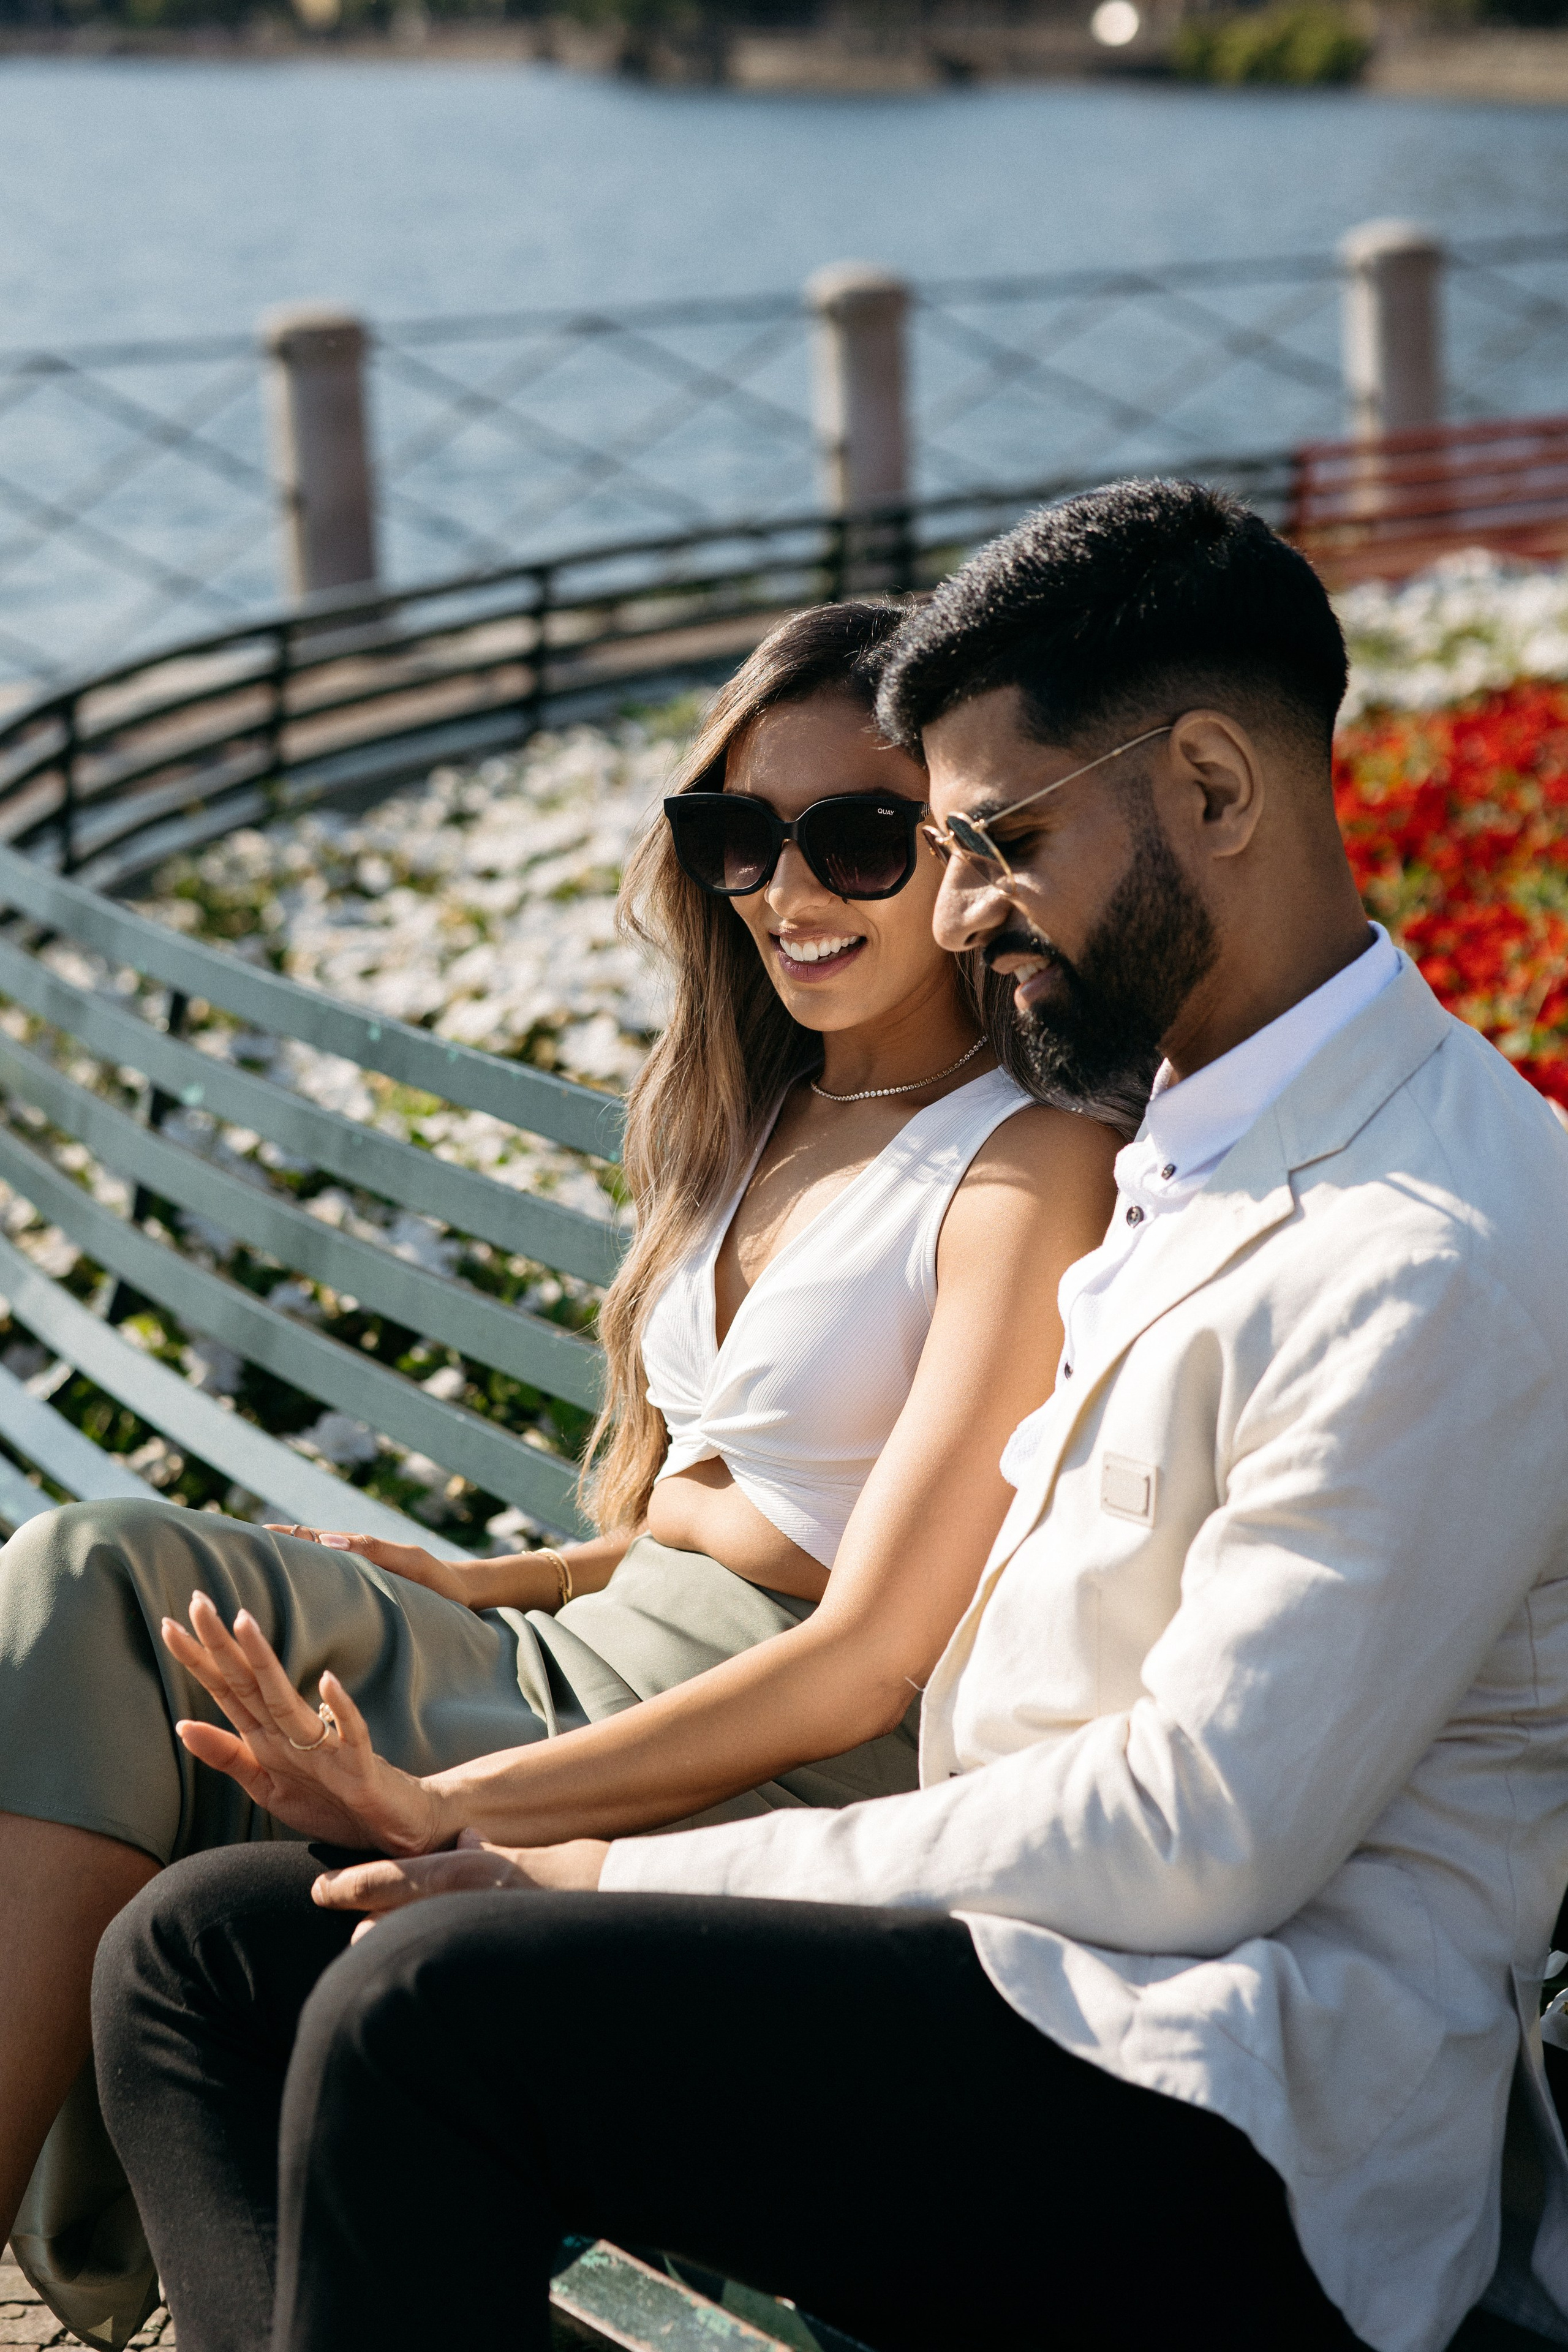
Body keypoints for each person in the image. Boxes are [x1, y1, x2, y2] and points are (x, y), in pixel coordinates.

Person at [94, 478, 1568, 2352]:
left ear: (1213, 786)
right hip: (1005, 1970)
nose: (958, 911)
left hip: (1243, 2107)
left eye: (999, 844)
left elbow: (1201, 1836)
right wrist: (513, 1754)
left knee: (428, 2002)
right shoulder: (1194, 1145)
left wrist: (586, 1871)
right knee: (207, 1956)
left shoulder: (1428, 1246)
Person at [0, 599, 1123, 2344]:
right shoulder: (759, 1114)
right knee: (97, 1582)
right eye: (742, 837)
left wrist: (469, 1810)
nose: (790, 892)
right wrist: (492, 1582)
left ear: (963, 857)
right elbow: (725, 1499)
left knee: (96, 1597)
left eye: (858, 837)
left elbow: (862, 1632)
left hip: (754, 1748)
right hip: (551, 1655)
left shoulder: (1027, 1165)